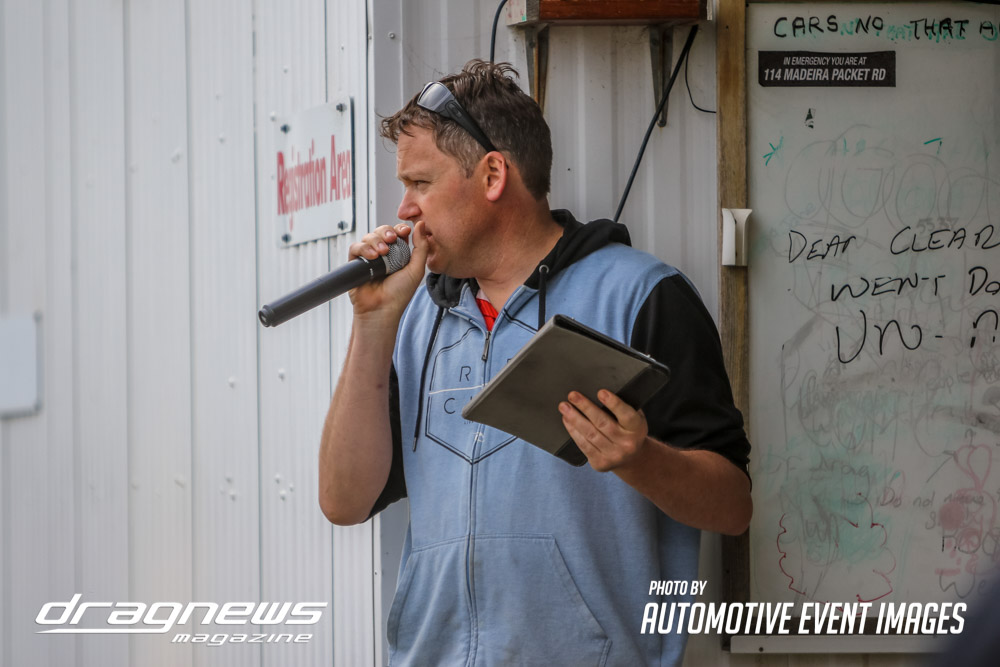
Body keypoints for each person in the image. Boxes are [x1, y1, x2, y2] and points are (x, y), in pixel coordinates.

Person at [319, 59, 752, 666]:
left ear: (493, 175)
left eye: (420, 183)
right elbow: (343, 502)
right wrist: (371, 324)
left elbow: (732, 507)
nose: (405, 209)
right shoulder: (414, 316)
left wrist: (641, 460)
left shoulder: (641, 295)